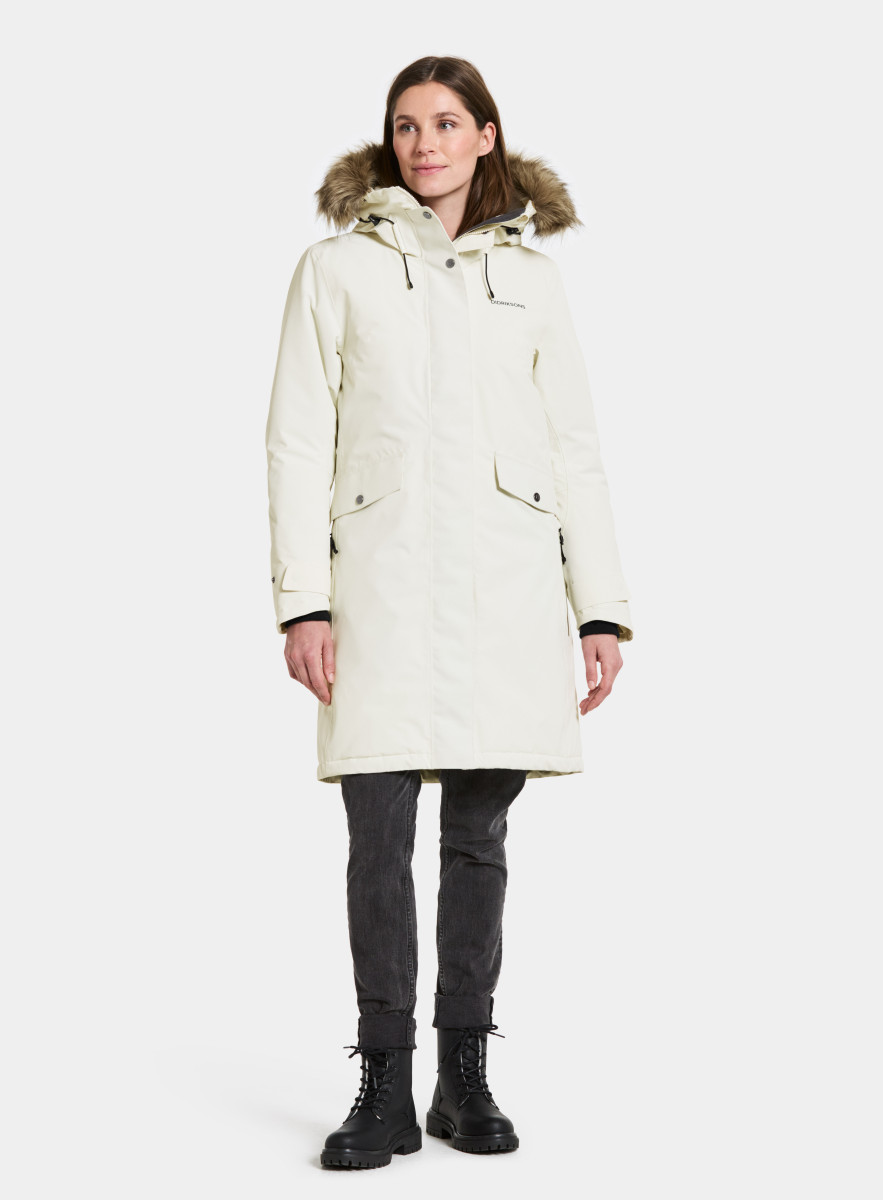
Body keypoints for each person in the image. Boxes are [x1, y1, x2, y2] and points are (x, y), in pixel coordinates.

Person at [265, 55, 634, 1169]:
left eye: (443, 123)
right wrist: (303, 602)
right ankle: (382, 1082)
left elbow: (574, 450)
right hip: (376, 591)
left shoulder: (533, 280)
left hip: (507, 591)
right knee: (376, 842)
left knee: (479, 840)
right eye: (404, 125)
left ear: (485, 135)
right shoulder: (335, 268)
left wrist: (599, 611)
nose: (423, 143)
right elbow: (296, 442)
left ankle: (461, 1075)